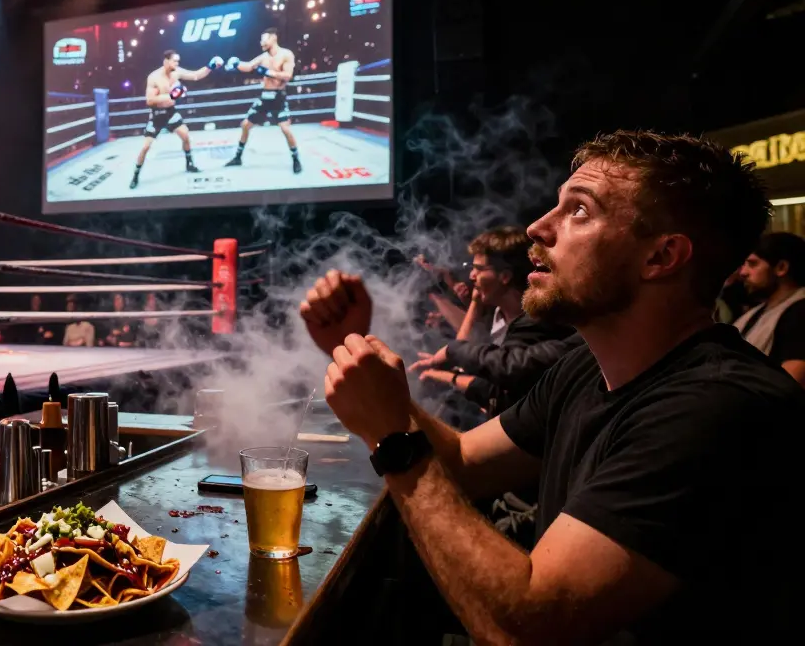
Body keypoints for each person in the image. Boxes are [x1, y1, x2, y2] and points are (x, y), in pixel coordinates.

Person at [301, 130, 798, 643]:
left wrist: (394, 437)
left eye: (579, 210)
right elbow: (465, 463)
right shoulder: (586, 364)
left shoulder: (717, 405)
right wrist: (355, 351)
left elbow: (528, 628)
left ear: (662, 256)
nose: (538, 227)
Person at [409, 226, 578, 416]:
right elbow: (468, 346)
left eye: (479, 269)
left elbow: (500, 389)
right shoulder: (495, 312)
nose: (472, 276)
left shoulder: (536, 323)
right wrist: (474, 303)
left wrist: (448, 374)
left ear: (505, 276)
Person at [129, 51, 222, 190]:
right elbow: (150, 100)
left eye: (178, 61)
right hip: (157, 115)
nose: (177, 64)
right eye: (174, 61)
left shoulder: (176, 72)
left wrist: (210, 66)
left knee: (185, 136)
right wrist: (171, 96)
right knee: (146, 147)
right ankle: (135, 175)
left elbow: (196, 75)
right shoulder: (154, 77)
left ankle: (189, 164)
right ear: (166, 61)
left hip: (171, 113)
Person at [223, 28, 301, 173]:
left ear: (273, 38)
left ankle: (296, 159)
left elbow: (288, 75)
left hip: (278, 97)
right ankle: (238, 157)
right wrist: (236, 63)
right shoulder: (263, 57)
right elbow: (249, 66)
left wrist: (267, 72)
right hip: (264, 97)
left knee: (285, 129)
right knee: (245, 125)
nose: (261, 42)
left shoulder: (286, 54)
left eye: (263, 39)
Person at [734, 231, 805, 385]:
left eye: (753, 264)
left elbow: (792, 382)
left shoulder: (800, 313)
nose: (743, 272)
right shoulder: (758, 311)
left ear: (781, 267)